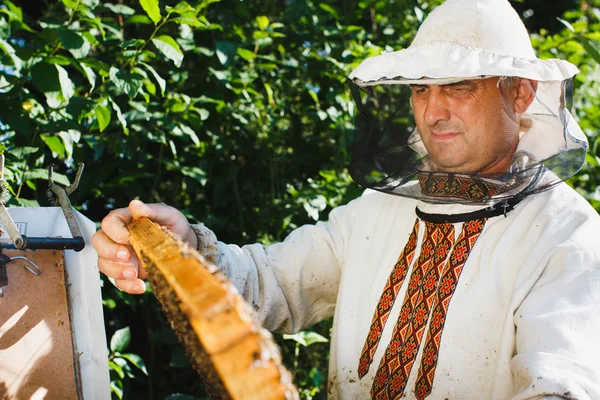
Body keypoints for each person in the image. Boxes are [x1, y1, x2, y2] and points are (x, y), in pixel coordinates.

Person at [92, 0, 600, 398]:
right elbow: (270, 284)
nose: (433, 112)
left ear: (520, 94)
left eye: (459, 87)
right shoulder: (379, 209)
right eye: (421, 90)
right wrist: (189, 248)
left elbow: (558, 383)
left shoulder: (567, 237)